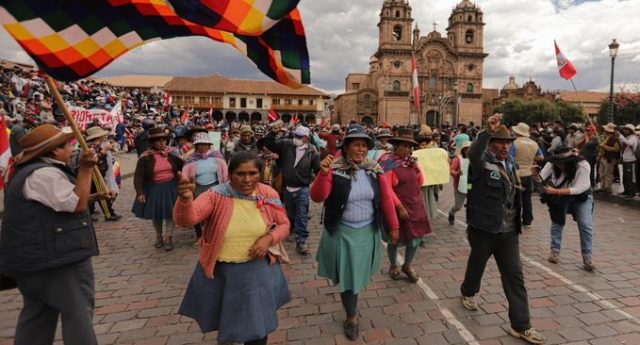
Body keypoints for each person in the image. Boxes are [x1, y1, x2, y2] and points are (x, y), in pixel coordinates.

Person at [0, 124, 108, 345]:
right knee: (78, 313)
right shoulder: (44, 173)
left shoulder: (30, 171)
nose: (72, 150)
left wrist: (94, 195)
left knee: (38, 316)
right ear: (55, 151)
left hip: (34, 262)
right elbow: (75, 203)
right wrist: (86, 169)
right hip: (56, 261)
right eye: (69, 146)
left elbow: (57, 204)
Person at [174, 152, 291, 345]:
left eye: (253, 173)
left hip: (258, 272)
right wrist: (186, 200)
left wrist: (268, 239)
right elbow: (187, 220)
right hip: (222, 273)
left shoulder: (268, 194)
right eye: (240, 174)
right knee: (227, 325)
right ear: (230, 173)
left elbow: (284, 224)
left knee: (257, 327)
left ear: (260, 174)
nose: (247, 180)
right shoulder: (215, 195)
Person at [460, 114, 545, 345]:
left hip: (508, 231)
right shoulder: (481, 161)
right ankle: (468, 290)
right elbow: (474, 152)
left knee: (515, 277)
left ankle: (521, 325)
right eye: (499, 142)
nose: (505, 146)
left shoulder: (512, 164)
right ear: (491, 143)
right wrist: (486, 131)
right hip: (484, 228)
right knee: (477, 263)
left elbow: (516, 194)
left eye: (508, 142)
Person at [311, 124, 399, 341]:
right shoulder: (334, 168)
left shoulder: (374, 169)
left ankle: (352, 305)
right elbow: (317, 197)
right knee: (348, 278)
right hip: (342, 232)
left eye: (364, 146)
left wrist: (394, 227)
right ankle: (351, 316)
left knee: (357, 275)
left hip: (367, 231)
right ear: (346, 147)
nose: (360, 150)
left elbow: (386, 199)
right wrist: (322, 175)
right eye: (356, 145)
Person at [380, 128, 431, 283]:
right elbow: (386, 189)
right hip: (398, 208)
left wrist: (416, 167)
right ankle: (394, 265)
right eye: (405, 146)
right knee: (395, 239)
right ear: (396, 146)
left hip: (415, 205)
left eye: (410, 147)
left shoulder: (411, 163)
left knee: (415, 238)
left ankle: (407, 265)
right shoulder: (388, 164)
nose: (408, 150)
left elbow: (421, 181)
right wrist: (399, 207)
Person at [533, 147, 595, 271]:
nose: (559, 165)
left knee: (585, 225)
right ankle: (555, 251)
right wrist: (535, 174)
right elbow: (541, 178)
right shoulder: (553, 163)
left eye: (562, 163)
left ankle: (587, 256)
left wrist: (555, 191)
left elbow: (580, 188)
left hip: (581, 196)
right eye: (557, 162)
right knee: (557, 221)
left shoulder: (582, 166)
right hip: (560, 196)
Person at [264, 124, 321, 255]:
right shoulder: (286, 145)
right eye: (296, 135)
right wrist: (273, 132)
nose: (296, 138)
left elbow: (317, 169)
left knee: (302, 214)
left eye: (300, 137)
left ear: (306, 138)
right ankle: (292, 228)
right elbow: (269, 144)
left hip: (302, 188)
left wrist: (319, 178)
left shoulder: (312, 152)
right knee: (290, 213)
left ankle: (301, 241)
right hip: (287, 188)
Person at [132, 127, 184, 251]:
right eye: (158, 141)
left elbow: (185, 166)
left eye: (163, 140)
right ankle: (159, 237)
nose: (162, 143)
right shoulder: (145, 157)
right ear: (152, 143)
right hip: (154, 188)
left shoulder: (173, 155)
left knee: (171, 213)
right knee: (157, 215)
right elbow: (138, 176)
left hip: (171, 188)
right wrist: (140, 192)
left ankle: (169, 237)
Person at [181, 132, 229, 245]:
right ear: (196, 146)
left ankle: (214, 234)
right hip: (198, 188)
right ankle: (199, 235)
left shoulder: (217, 157)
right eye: (200, 144)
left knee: (214, 212)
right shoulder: (191, 160)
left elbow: (225, 172)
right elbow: (184, 175)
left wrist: (225, 186)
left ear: (209, 145)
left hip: (215, 187)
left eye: (205, 144)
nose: (203, 147)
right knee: (197, 211)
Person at [85, 126, 122, 221]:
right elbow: (95, 159)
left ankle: (89, 214)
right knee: (102, 193)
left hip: (98, 172)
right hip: (95, 173)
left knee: (92, 193)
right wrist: (104, 151)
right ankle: (109, 213)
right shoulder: (92, 146)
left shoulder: (95, 145)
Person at [510, 123, 544, 228]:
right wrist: (531, 160)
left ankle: (516, 220)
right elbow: (541, 157)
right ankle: (527, 220)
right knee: (527, 198)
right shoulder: (534, 143)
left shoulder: (514, 143)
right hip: (529, 173)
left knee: (516, 198)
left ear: (517, 132)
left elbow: (510, 158)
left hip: (517, 174)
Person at [448, 141, 471, 225]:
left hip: (470, 185)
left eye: (470, 149)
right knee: (458, 206)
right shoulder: (457, 159)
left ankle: (470, 220)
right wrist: (457, 173)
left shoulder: (474, 159)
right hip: (459, 185)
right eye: (467, 149)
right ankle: (451, 213)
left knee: (471, 204)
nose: (468, 151)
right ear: (463, 150)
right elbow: (451, 170)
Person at [597, 123, 620, 195]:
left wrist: (604, 147)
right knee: (602, 173)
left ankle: (608, 189)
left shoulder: (615, 139)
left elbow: (616, 149)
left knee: (608, 174)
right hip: (603, 158)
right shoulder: (606, 137)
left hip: (610, 158)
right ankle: (602, 187)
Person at [618, 124, 638, 199]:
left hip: (631, 161)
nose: (625, 130)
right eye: (625, 129)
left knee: (631, 178)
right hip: (625, 160)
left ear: (630, 130)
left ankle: (632, 193)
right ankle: (626, 191)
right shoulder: (627, 137)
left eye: (626, 129)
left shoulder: (633, 138)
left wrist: (622, 137)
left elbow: (629, 143)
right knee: (625, 177)